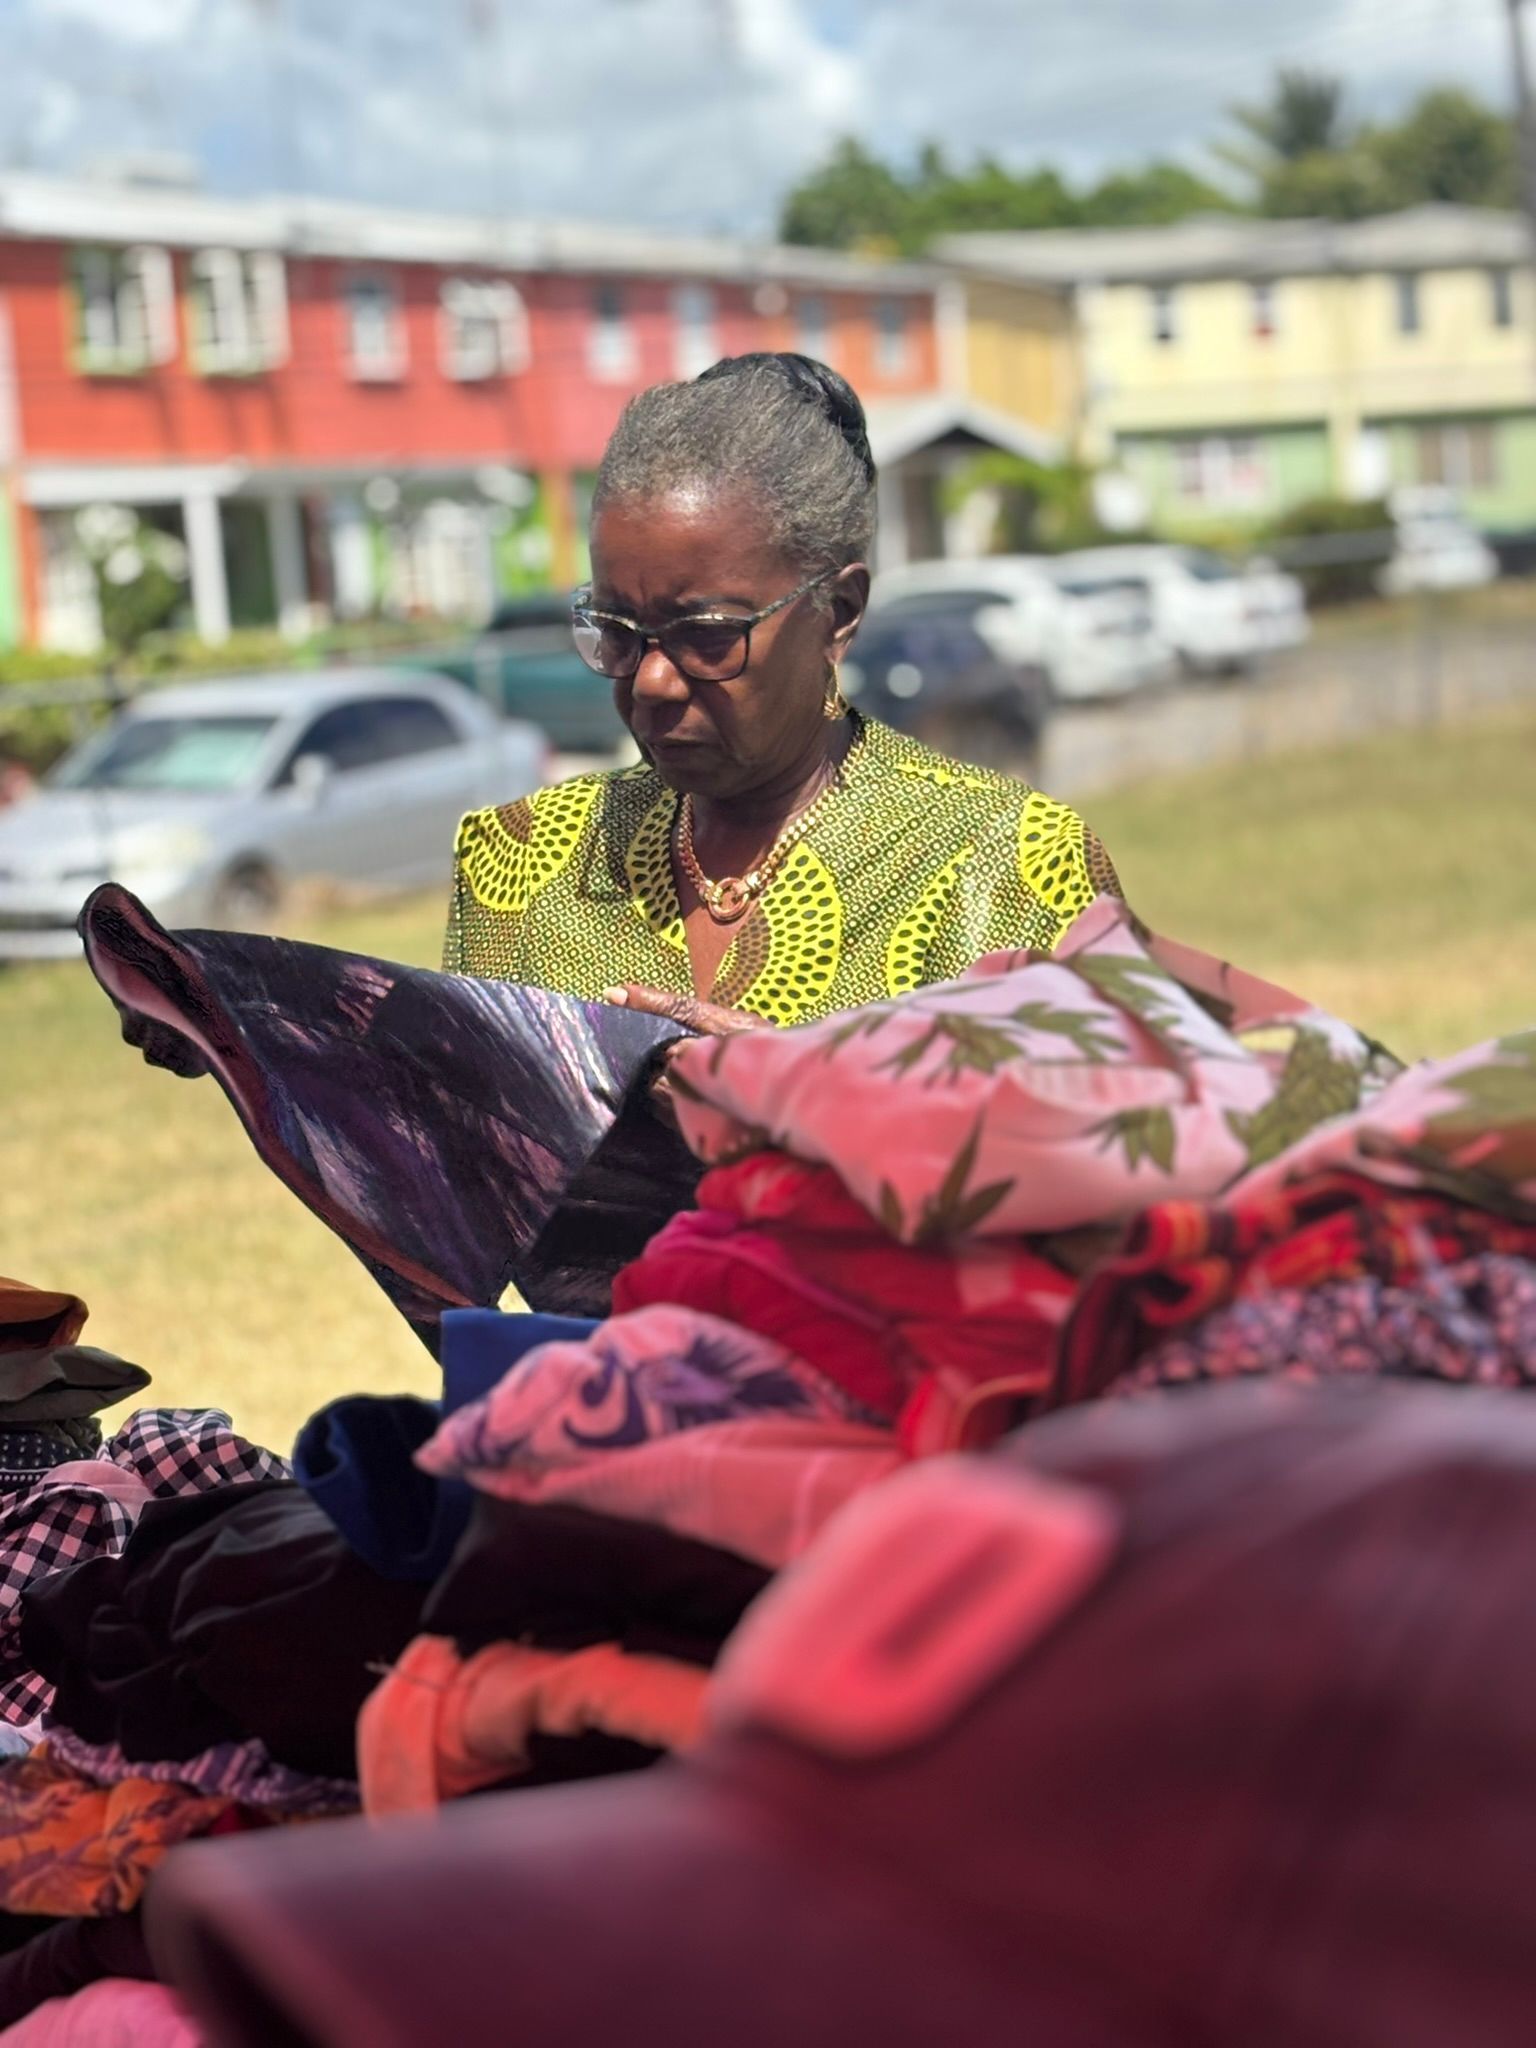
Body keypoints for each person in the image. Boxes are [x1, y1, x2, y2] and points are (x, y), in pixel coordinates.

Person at [443, 353, 1122, 1036]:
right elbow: (455, 1137)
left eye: (706, 635)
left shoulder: (1007, 867)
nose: (650, 680)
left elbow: (1116, 1137)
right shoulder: (523, 861)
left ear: (839, 611)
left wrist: (818, 1109)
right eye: (618, 630)